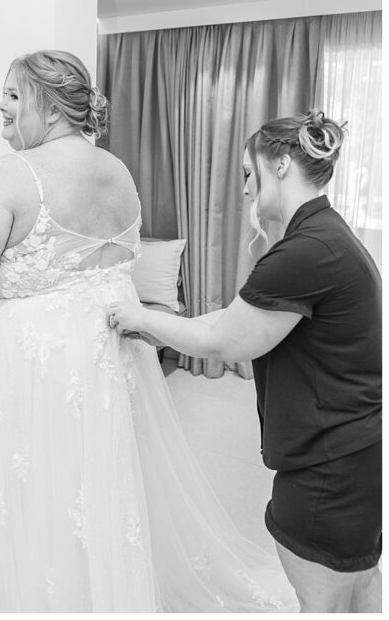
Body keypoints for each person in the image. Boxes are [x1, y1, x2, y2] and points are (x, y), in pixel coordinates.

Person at [0, 49, 298, 612]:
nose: (0, 105)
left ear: (50, 108)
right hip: (104, 355)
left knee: (35, 487)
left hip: (34, 363)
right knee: (93, 480)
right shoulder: (117, 171)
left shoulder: (7, 175)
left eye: (12, 94)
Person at [107, 111, 381, 612]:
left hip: (329, 463)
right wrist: (150, 323)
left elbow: (225, 344)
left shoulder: (306, 252)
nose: (245, 190)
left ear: (280, 164)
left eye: (248, 173)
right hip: (353, 450)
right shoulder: (325, 235)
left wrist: (135, 315)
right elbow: (235, 318)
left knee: (323, 601)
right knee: (360, 588)